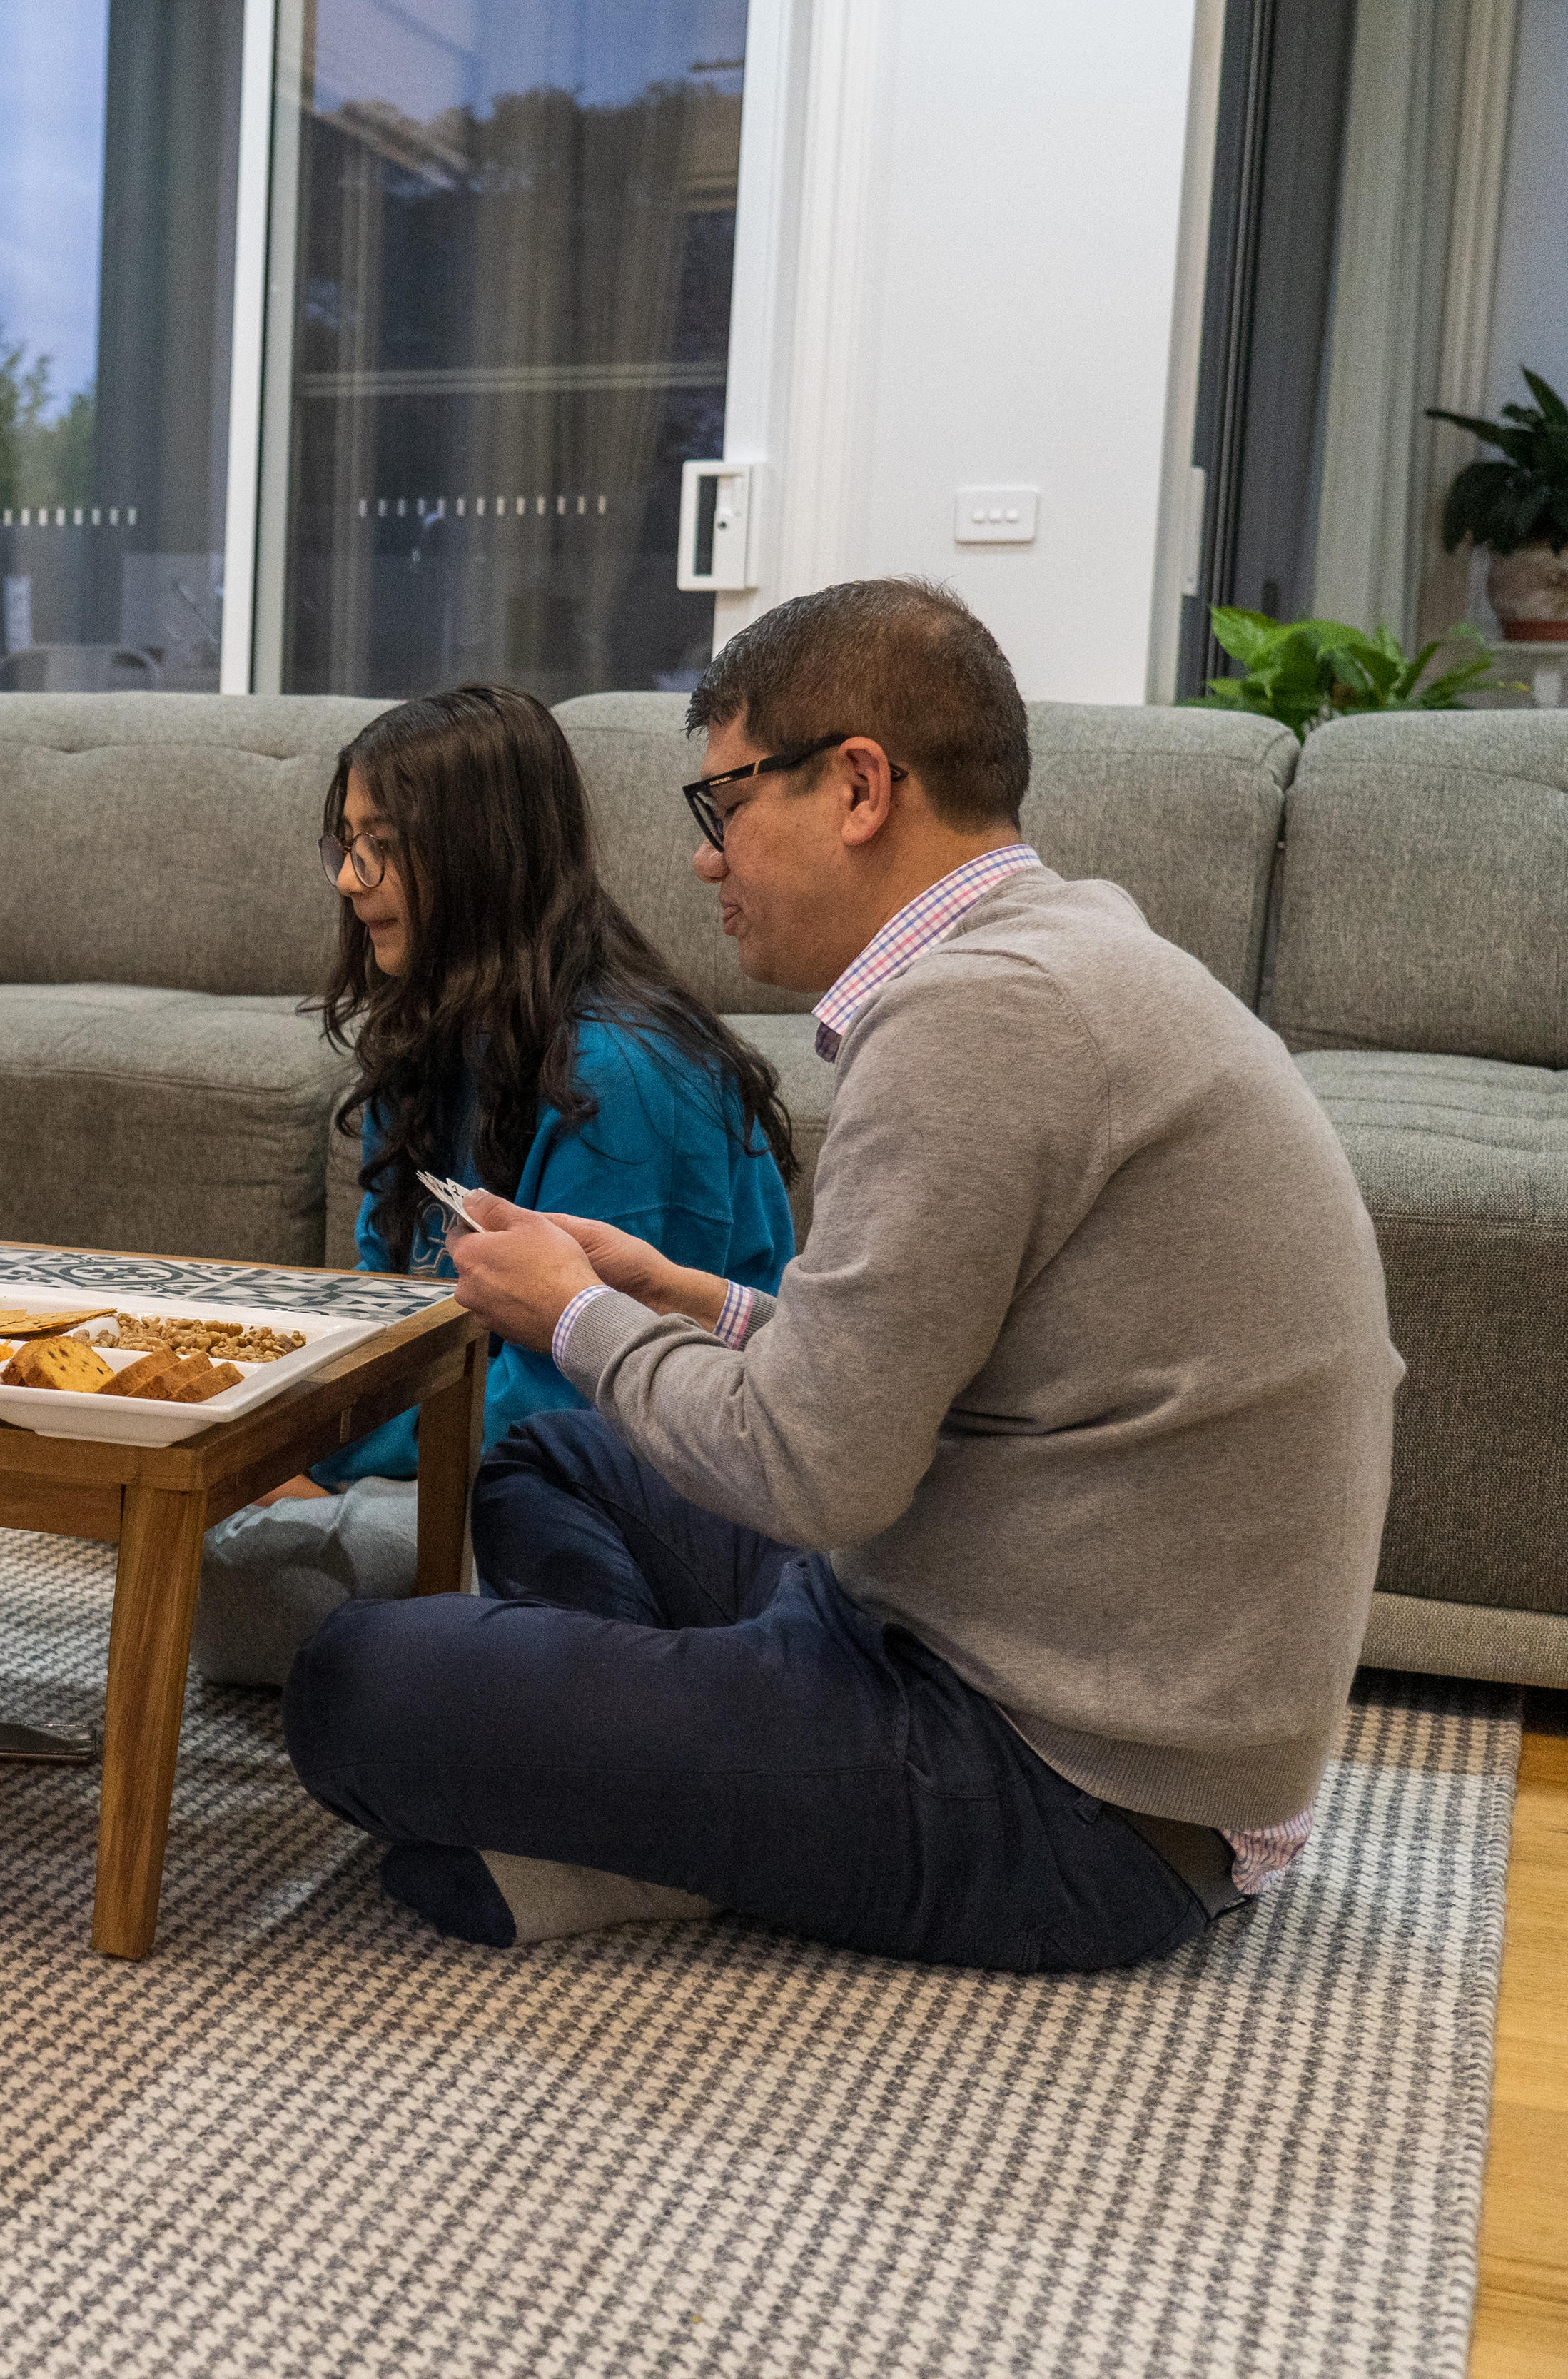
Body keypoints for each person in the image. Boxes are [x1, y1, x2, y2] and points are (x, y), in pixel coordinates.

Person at [280, 580, 1401, 1971]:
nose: (706, 860)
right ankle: (655, 1798)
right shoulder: (1057, 955)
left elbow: (814, 1471)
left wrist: (574, 1313)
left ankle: (655, 1811)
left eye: (725, 807)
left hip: (1078, 1796)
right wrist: (680, 1295)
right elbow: (919, 1364)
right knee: (557, 1464)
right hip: (989, 1622)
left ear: (859, 785)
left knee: (353, 1685)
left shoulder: (976, 1016)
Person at [196, 687, 796, 1687]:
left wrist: (320, 1467)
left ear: (483, 851)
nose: (350, 878)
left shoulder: (624, 1075)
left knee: (226, 1568)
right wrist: (282, 1439)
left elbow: (577, 1409)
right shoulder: (426, 1041)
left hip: (612, 1488)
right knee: (198, 1505)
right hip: (450, 1451)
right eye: (343, 843)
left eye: (380, 843)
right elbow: (380, 1311)